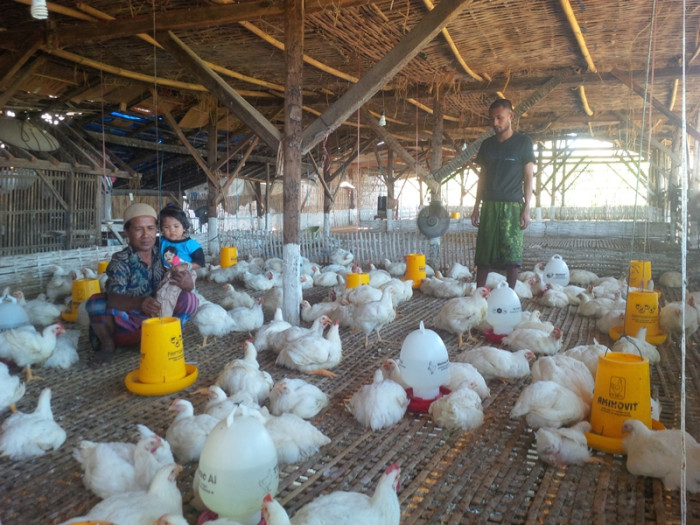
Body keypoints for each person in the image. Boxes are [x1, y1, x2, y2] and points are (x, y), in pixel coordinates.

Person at [84, 203, 199, 368]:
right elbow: (113, 299)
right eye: (138, 229)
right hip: (128, 322)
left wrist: (187, 283)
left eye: (151, 228)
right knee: (97, 302)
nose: (146, 235)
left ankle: (167, 336)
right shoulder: (121, 260)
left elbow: (182, 277)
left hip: (157, 316)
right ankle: (108, 346)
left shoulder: (165, 254)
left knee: (190, 299)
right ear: (127, 232)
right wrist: (140, 303)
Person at [471, 99, 535, 289]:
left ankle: (510, 296)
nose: (495, 123)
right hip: (489, 204)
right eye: (492, 119)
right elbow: (482, 178)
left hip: (513, 205)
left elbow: (529, 176)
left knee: (512, 255)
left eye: (499, 118)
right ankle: (478, 295)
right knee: (483, 253)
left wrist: (527, 208)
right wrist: (476, 207)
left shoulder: (524, 143)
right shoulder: (487, 145)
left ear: (510, 116)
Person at [156, 204, 205, 317]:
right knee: (160, 292)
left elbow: (200, 262)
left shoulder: (191, 244)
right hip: (168, 272)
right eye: (166, 227)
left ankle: (164, 321)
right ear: (161, 229)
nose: (172, 230)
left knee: (167, 295)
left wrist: (184, 267)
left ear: (184, 227)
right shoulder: (161, 241)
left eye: (176, 226)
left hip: (184, 274)